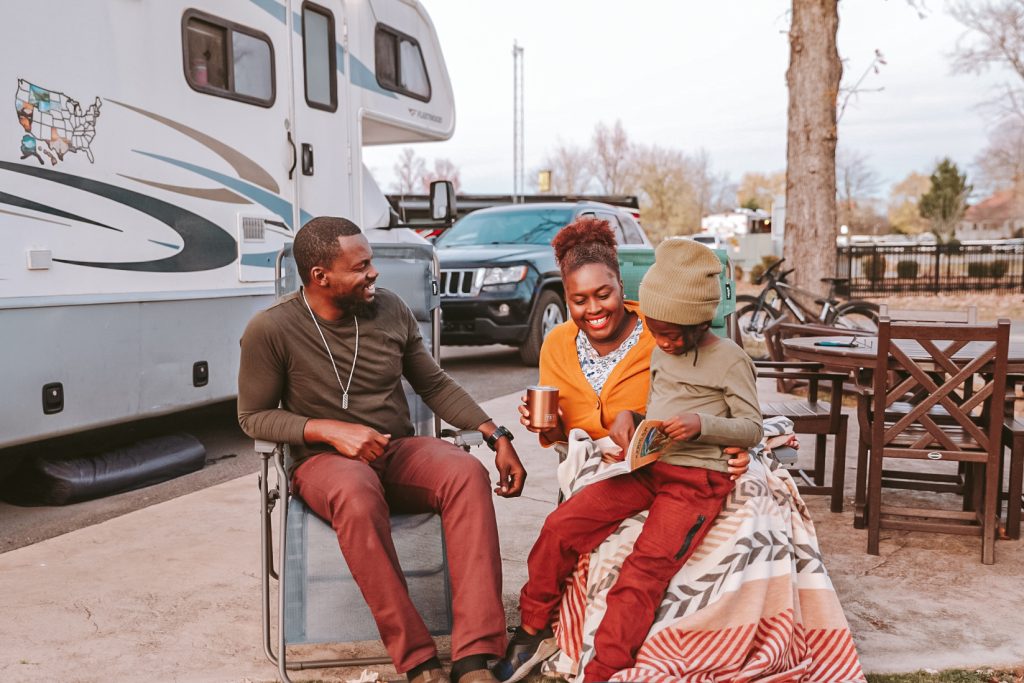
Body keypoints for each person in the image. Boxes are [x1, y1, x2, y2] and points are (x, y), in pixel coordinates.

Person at [237, 217, 527, 683]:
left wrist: (497, 436)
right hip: (323, 464)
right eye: (362, 266)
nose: (374, 274)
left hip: (395, 449)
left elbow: (432, 382)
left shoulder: (390, 310)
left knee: (464, 474)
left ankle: (474, 658)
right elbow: (252, 417)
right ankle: (418, 661)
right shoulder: (271, 329)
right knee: (356, 492)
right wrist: (329, 430)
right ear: (320, 277)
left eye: (371, 262)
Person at [496, 234, 762, 683]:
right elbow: (656, 409)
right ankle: (532, 626)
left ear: (699, 323)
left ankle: (604, 670)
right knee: (560, 526)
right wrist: (633, 419)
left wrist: (703, 424)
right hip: (646, 466)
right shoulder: (658, 347)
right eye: (656, 332)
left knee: (642, 572)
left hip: (697, 482)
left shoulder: (729, 360)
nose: (659, 341)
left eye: (670, 334)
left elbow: (751, 426)